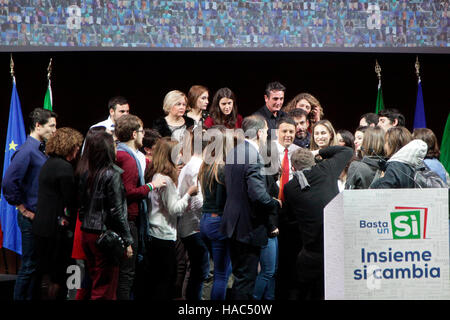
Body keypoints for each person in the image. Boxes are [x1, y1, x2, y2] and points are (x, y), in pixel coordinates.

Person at [220, 115, 282, 300]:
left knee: (240, 277)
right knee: (246, 279)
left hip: (233, 224)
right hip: (248, 227)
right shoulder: (253, 156)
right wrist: (274, 203)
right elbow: (258, 196)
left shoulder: (234, 151)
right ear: (259, 133)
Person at [283, 145, 353, 300]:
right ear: (313, 161)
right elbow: (347, 151)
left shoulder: (289, 188)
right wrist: (319, 151)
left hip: (311, 250)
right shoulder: (326, 169)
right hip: (335, 248)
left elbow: (288, 218)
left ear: (294, 168)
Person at [2, 107, 57, 300]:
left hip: (39, 217)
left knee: (36, 266)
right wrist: (23, 209)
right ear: (38, 125)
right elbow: (8, 182)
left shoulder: (40, 150)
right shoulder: (27, 151)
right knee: (28, 266)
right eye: (51, 126)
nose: (54, 130)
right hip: (30, 218)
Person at [114, 114, 167, 300]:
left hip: (128, 219)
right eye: (142, 131)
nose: (143, 135)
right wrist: (152, 185)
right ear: (134, 133)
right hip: (128, 220)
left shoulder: (121, 153)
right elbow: (128, 192)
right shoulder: (127, 158)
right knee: (127, 273)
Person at [78, 131, 133, 300]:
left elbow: (80, 205)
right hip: (104, 236)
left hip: (87, 232)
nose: (116, 148)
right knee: (105, 287)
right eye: (114, 145)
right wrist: (128, 240)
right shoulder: (112, 174)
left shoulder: (84, 171)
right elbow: (117, 211)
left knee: (95, 281)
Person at [145, 137, 198, 300]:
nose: (181, 154)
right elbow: (174, 209)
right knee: (164, 281)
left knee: (160, 280)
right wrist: (189, 193)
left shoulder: (155, 174)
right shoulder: (165, 180)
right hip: (162, 234)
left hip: (155, 232)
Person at [33, 127, 83, 300]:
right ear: (70, 147)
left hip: (41, 226)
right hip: (56, 230)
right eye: (76, 147)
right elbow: (71, 200)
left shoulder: (48, 163)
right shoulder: (64, 168)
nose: (78, 150)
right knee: (58, 274)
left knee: (44, 270)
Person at [198, 126, 234, 300]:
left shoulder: (206, 166)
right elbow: (223, 203)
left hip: (205, 221)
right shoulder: (222, 169)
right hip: (217, 222)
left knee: (219, 270)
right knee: (221, 274)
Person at [177, 127, 209, 300]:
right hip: (194, 228)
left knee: (197, 271)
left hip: (190, 226)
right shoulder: (197, 166)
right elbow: (199, 200)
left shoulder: (192, 164)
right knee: (200, 272)